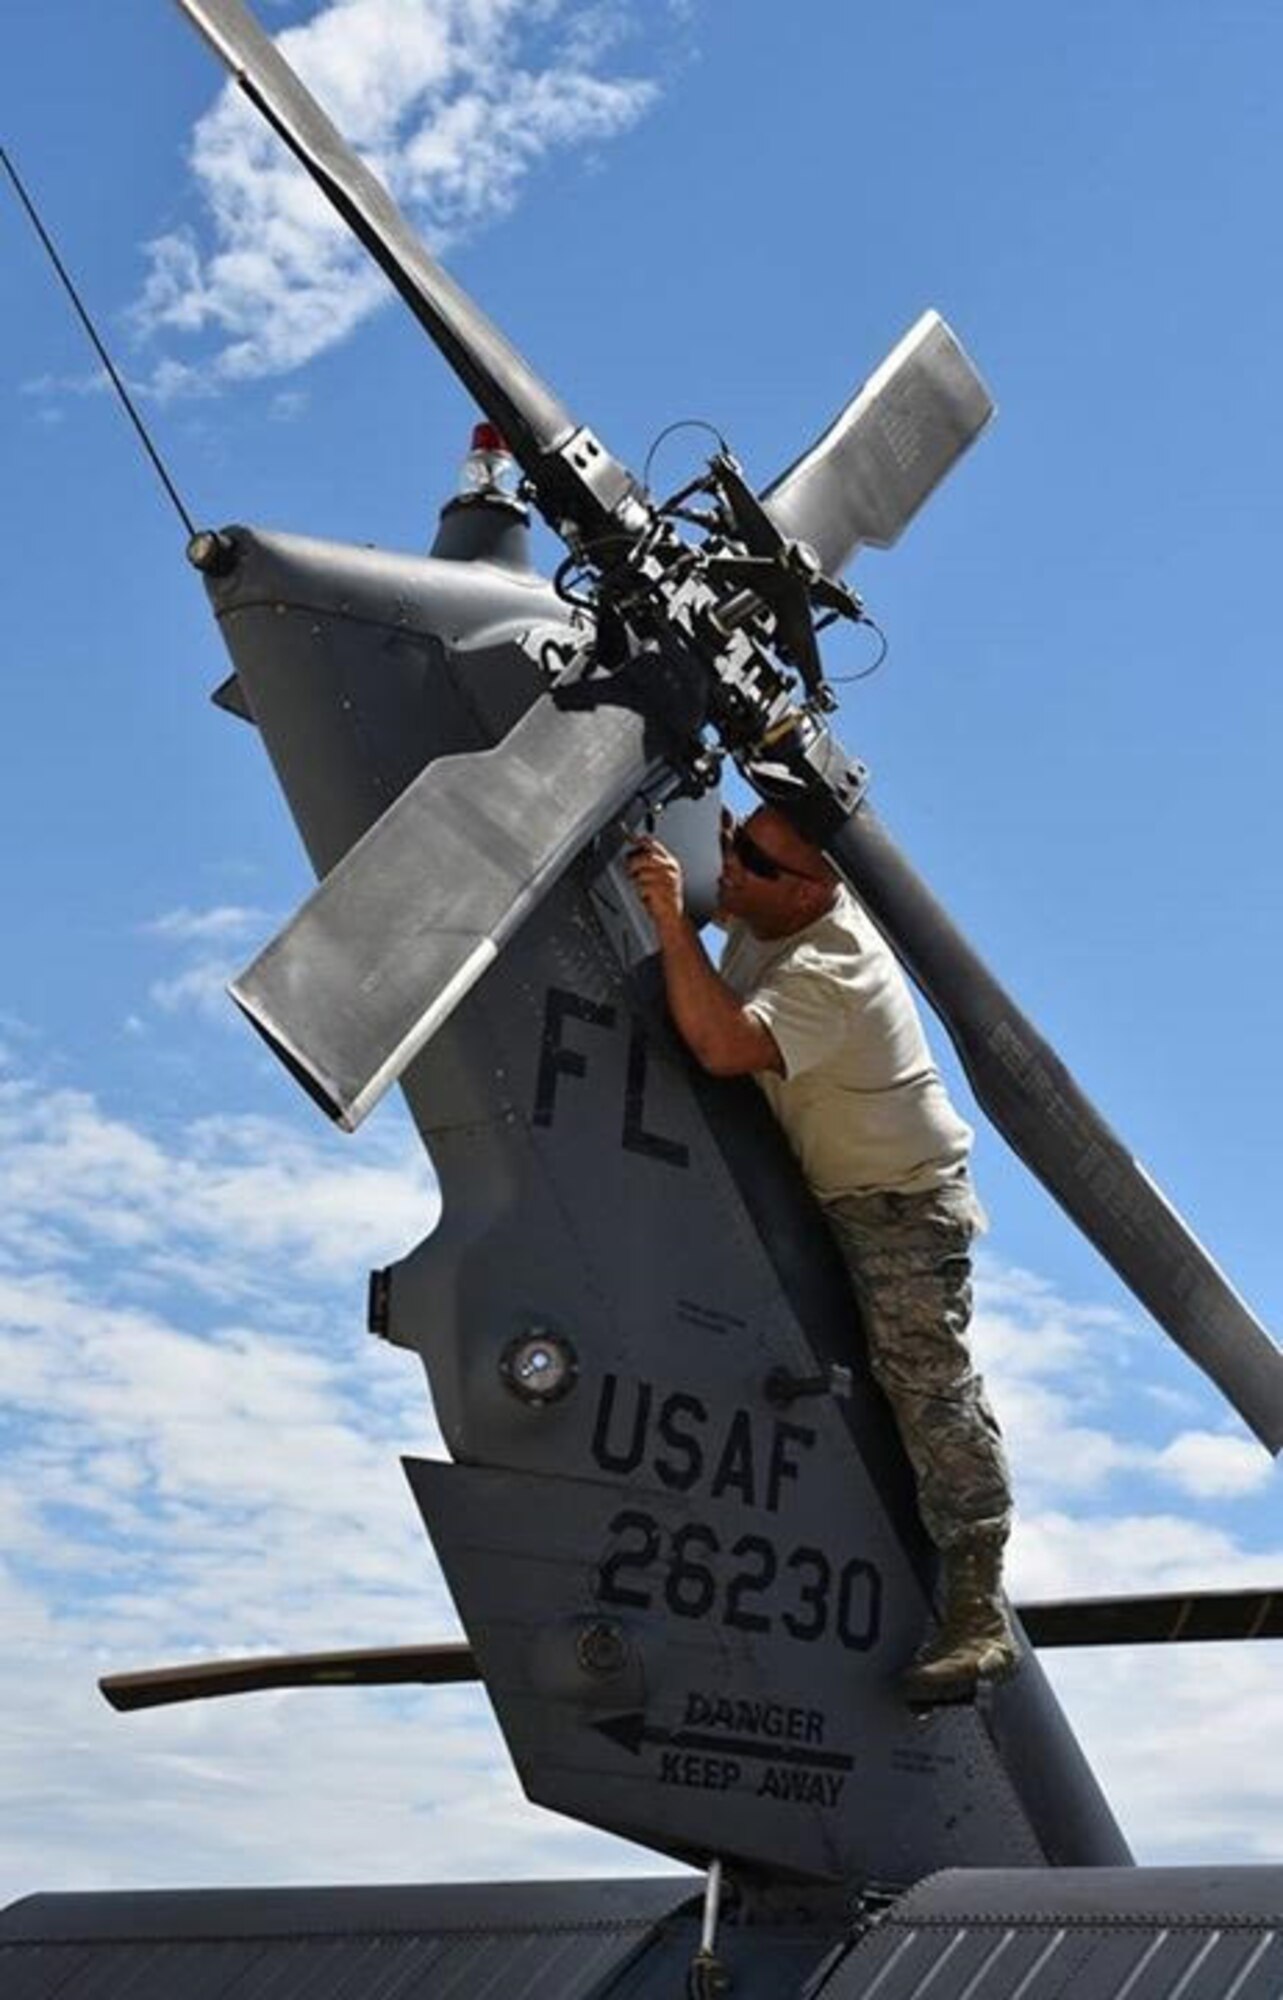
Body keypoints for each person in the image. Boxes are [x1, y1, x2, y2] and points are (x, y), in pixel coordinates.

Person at [626, 806, 1018, 1701]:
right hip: (829, 1186)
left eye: (749, 859)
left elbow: (723, 1045)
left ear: (808, 890)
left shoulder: (830, 971)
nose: (727, 868)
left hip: (901, 1209)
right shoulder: (772, 906)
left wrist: (663, 921)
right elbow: (730, 907)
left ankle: (977, 1613)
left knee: (924, 1386)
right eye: (731, 837)